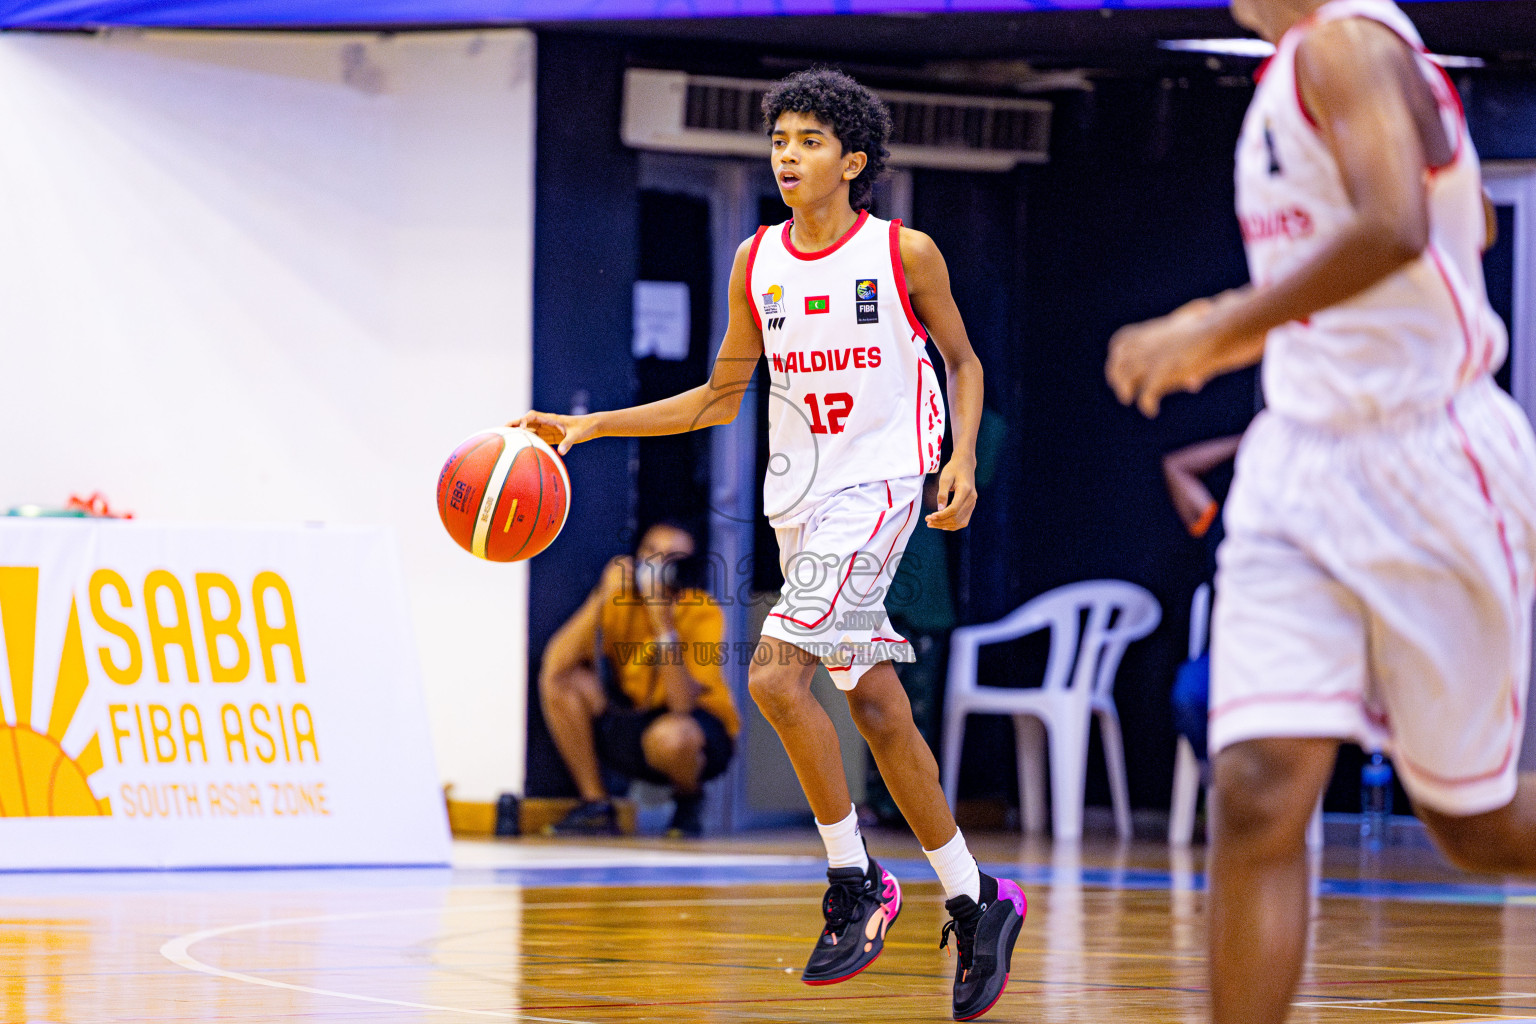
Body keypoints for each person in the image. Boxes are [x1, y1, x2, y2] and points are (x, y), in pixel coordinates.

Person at [516, 68, 1025, 1022]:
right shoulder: (758, 261)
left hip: (879, 492)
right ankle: (975, 897)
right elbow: (716, 397)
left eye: (808, 141)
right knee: (874, 707)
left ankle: (855, 882)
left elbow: (962, 359)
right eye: (780, 139)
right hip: (800, 504)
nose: (787, 156)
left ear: (853, 161)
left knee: (771, 677)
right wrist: (590, 430)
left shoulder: (904, 253)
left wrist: (958, 458)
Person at [1106, 2, 1536, 1022]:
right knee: (1254, 785)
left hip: (1426, 455)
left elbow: (1394, 225)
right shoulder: (1306, 65)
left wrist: (1215, 327)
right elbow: (1460, 218)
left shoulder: (1349, 42)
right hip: (1297, 455)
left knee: (1473, 828)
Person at [537, 520, 739, 838]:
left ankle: (689, 799)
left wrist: (663, 627)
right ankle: (597, 805)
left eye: (671, 558)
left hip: (692, 726)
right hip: (632, 713)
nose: (657, 565)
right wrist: (602, 597)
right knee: (563, 682)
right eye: (651, 553)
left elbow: (682, 704)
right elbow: (556, 665)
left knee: (674, 739)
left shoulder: (702, 611)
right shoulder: (621, 600)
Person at [1162, 434, 1242, 760]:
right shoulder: (1222, 522)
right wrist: (1247, 440)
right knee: (1188, 693)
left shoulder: (1301, 525)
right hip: (1229, 657)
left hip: (1288, 659)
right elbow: (1176, 466)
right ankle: (1220, 788)